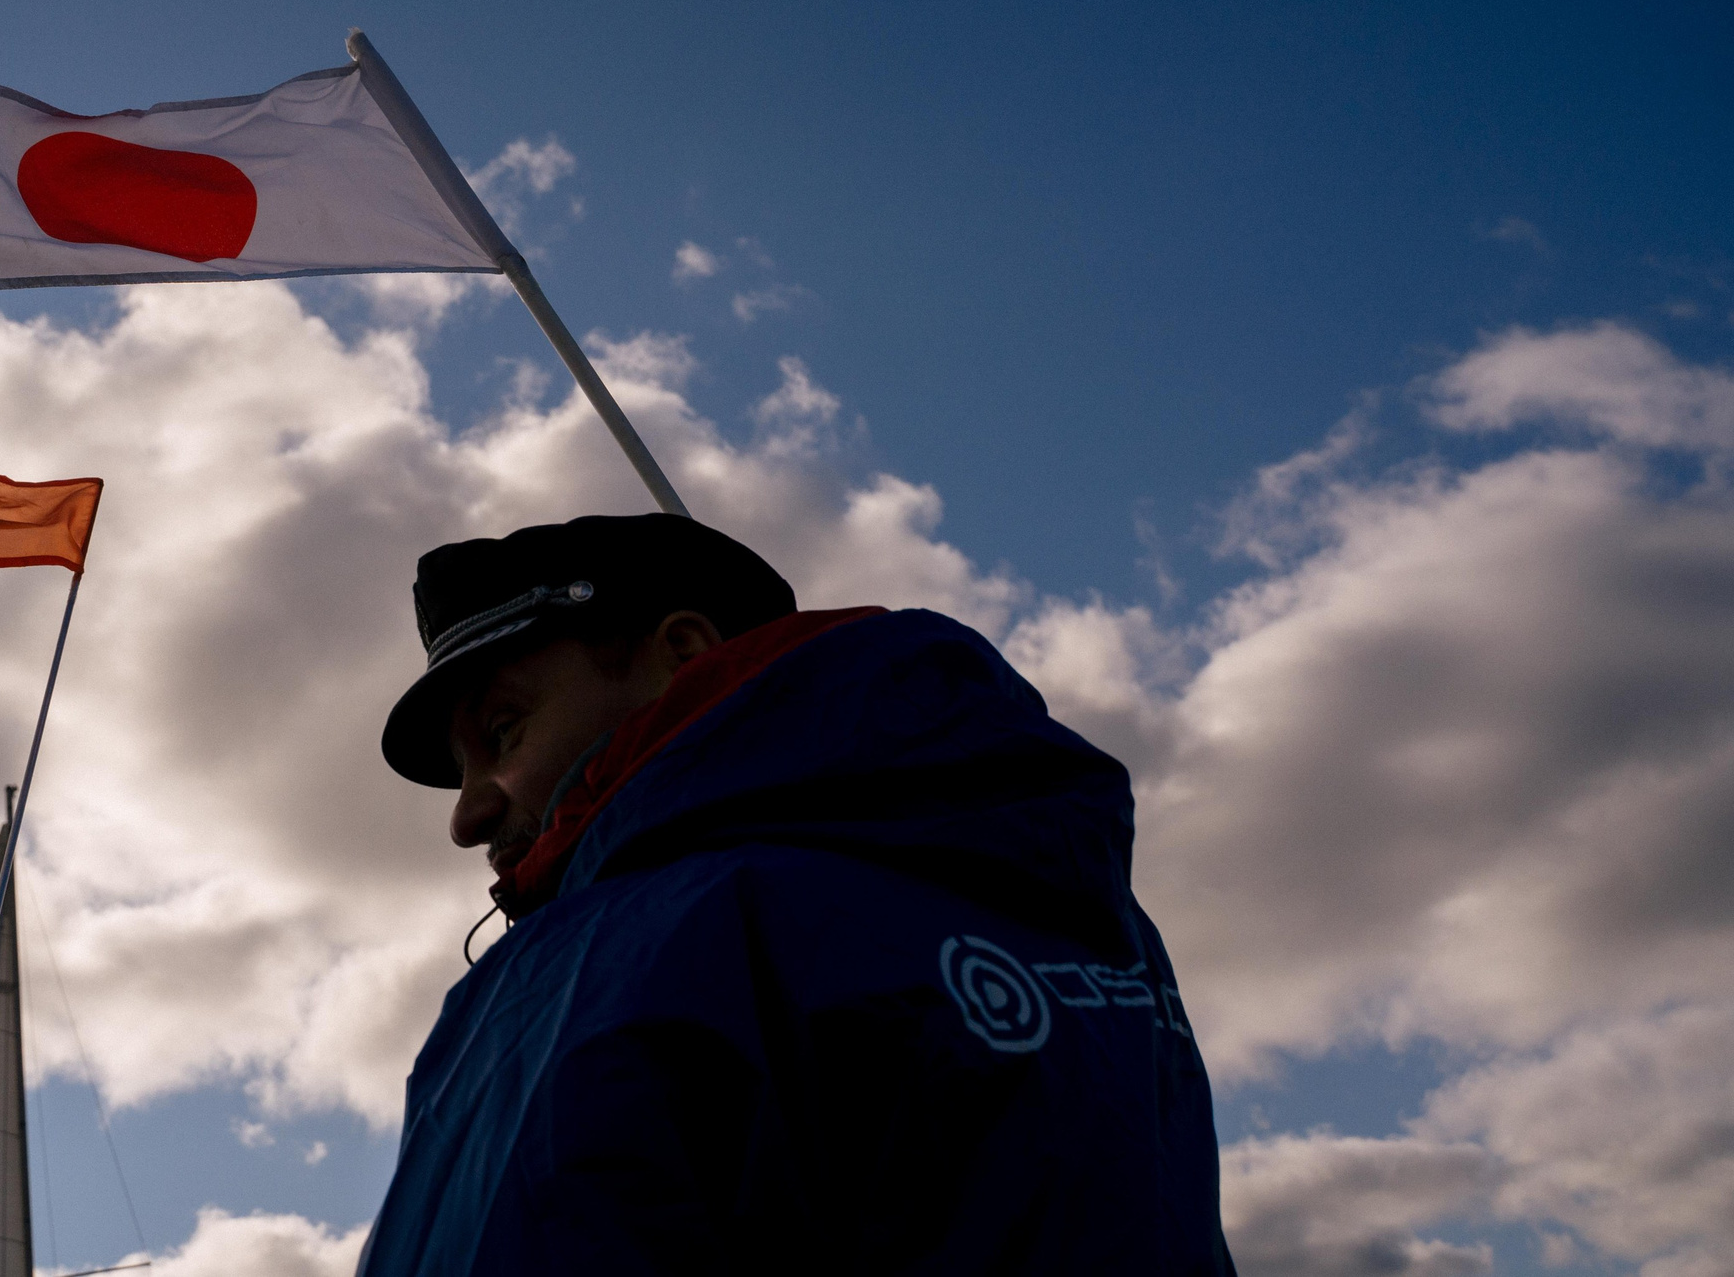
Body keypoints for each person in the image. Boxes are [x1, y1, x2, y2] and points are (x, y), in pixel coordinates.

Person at [357, 512, 1235, 1276]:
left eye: (502, 730)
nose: (468, 815)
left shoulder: (592, 963)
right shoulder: (1101, 933)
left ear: (684, 657)